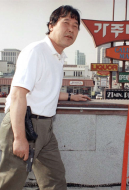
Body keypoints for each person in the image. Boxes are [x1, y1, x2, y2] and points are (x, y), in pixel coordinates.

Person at [0, 5, 90, 190]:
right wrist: (19, 138)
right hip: (23, 124)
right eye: (66, 23)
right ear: (51, 25)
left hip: (45, 128)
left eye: (75, 26)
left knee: (55, 179)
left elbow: (43, 90)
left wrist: (70, 97)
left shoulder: (58, 56)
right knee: (11, 182)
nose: (71, 29)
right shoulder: (36, 51)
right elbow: (17, 95)